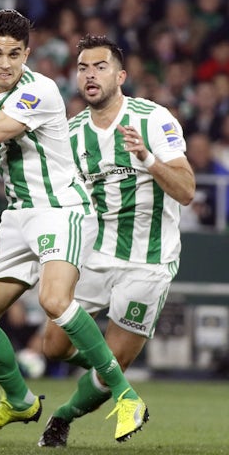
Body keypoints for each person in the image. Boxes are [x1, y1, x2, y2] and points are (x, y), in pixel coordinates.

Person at [0, 9, 148, 443]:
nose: (5, 64)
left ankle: (125, 396)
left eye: (14, 54)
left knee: (53, 299)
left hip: (61, 208)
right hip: (17, 214)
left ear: (27, 54)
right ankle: (20, 401)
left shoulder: (40, 91)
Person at [37, 34, 195, 447]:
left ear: (121, 75)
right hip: (94, 254)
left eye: (100, 66)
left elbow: (187, 190)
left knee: (116, 358)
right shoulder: (69, 135)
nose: (90, 75)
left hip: (149, 259)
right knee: (52, 347)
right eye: (84, 68)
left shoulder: (153, 120)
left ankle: (62, 417)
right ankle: (115, 383)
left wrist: (146, 159)